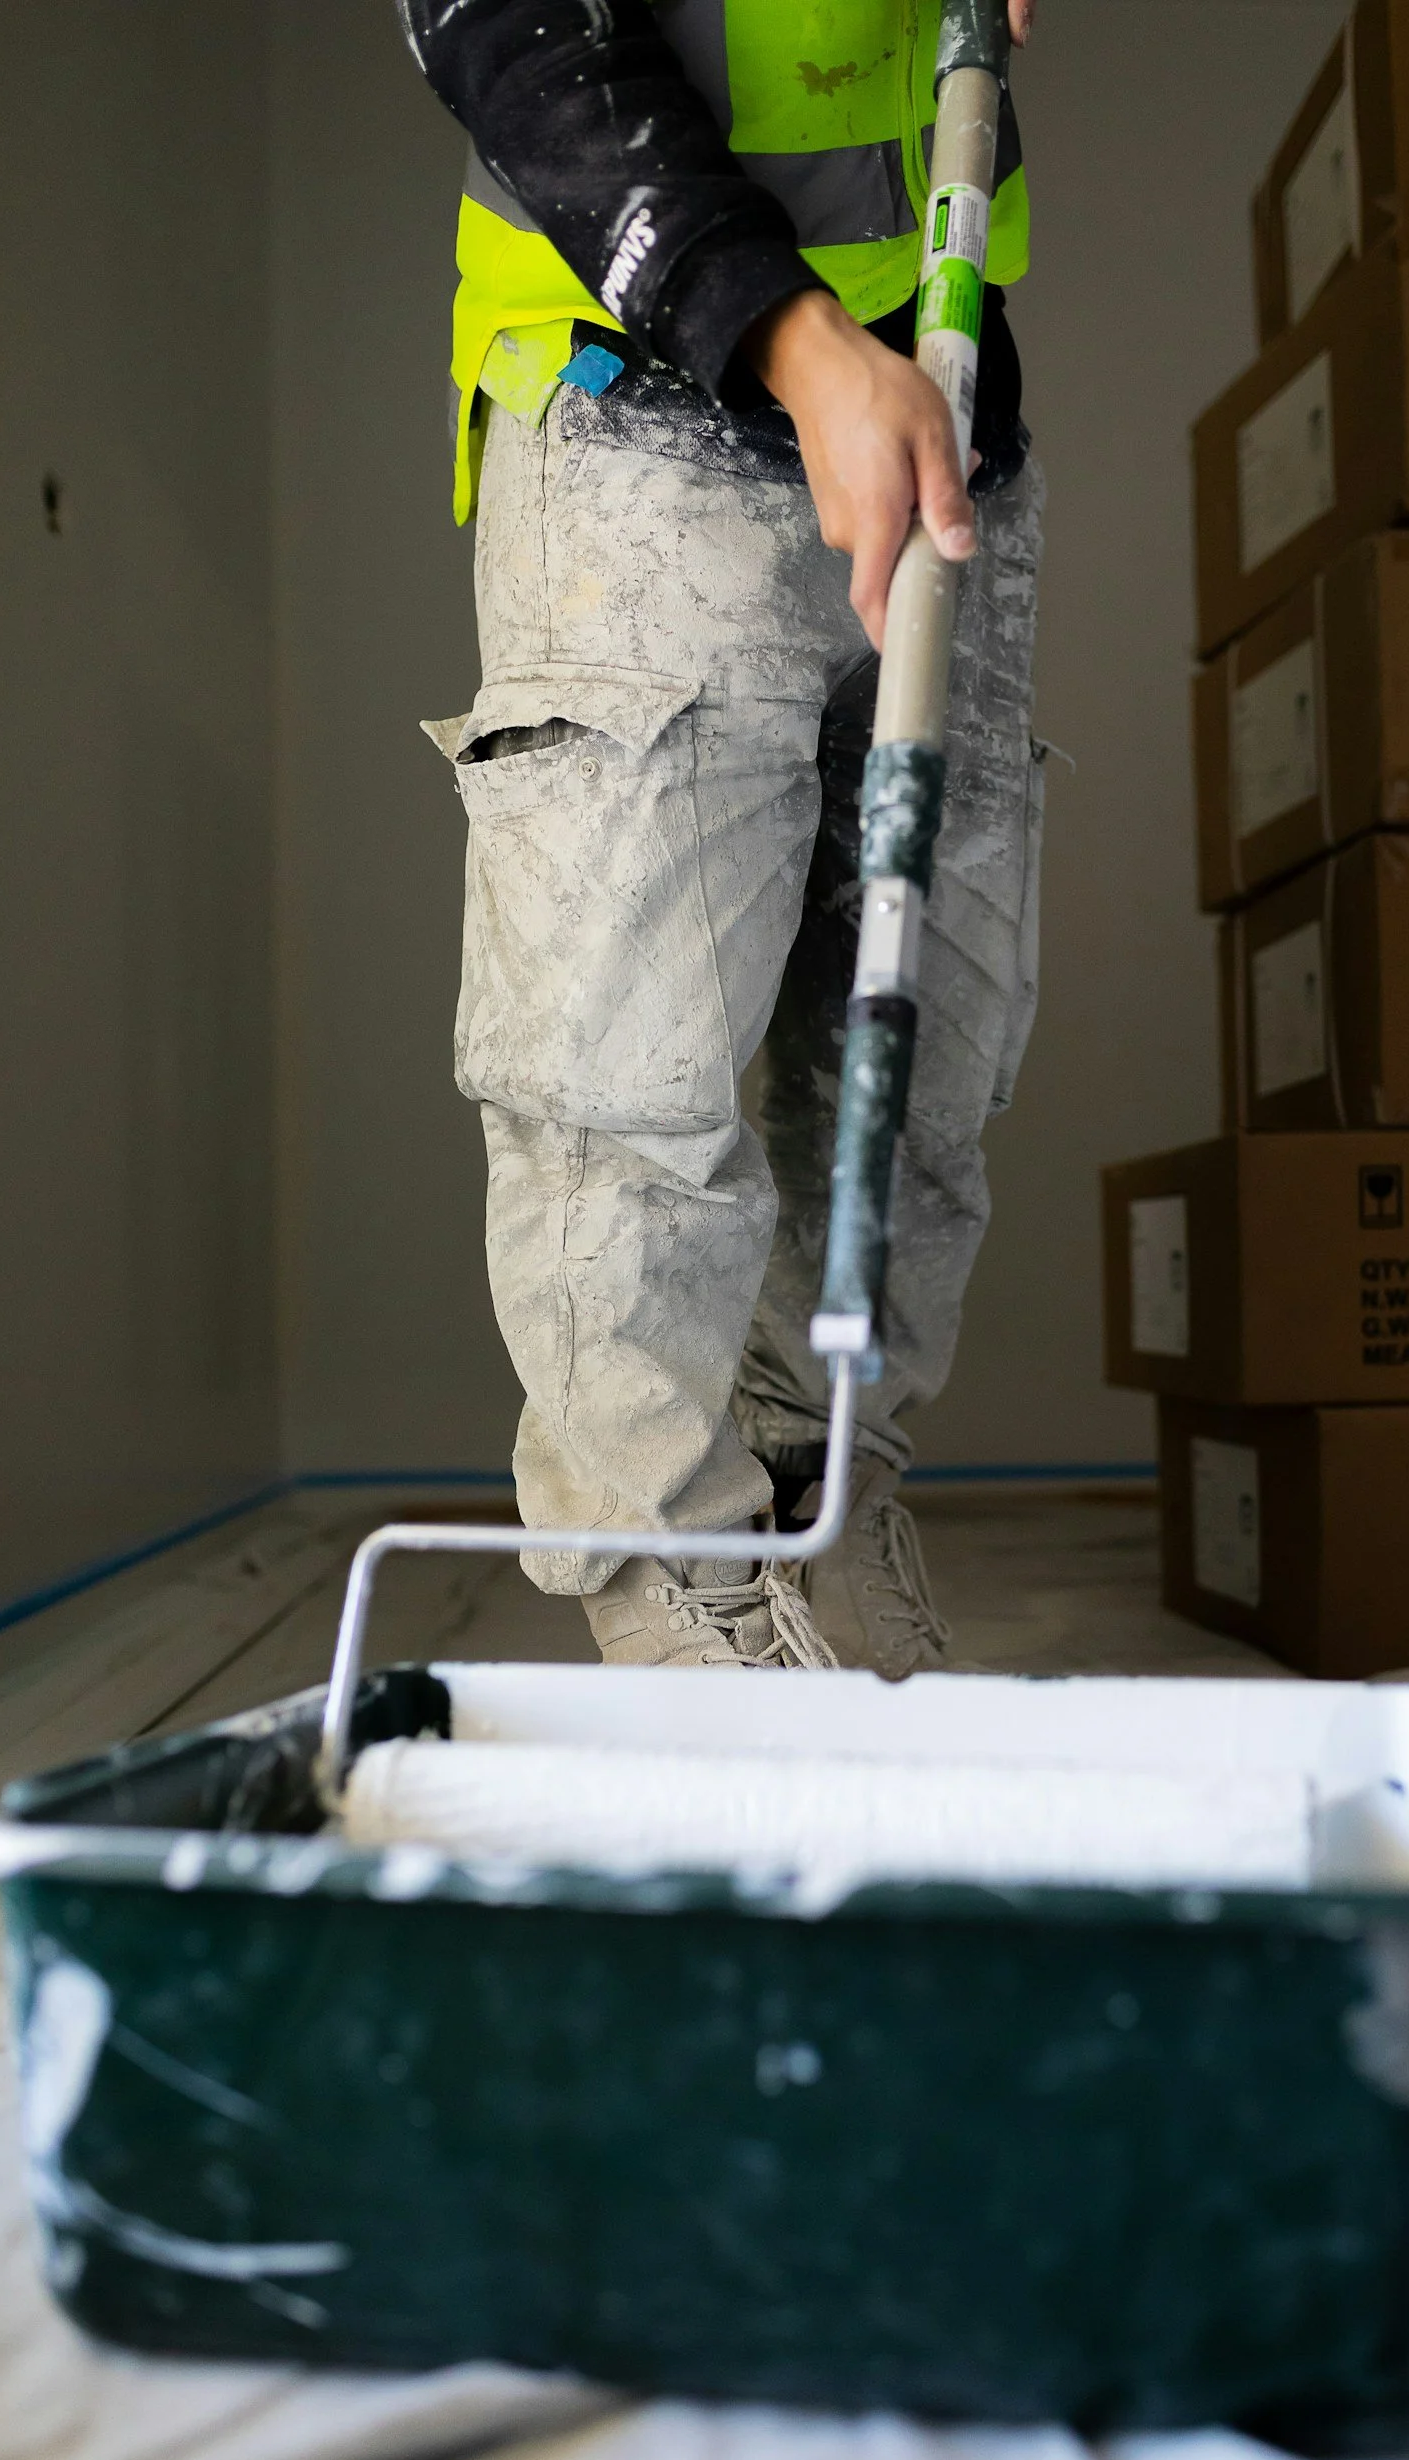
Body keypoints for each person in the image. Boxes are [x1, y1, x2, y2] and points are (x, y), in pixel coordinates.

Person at [399, 0, 1043, 1676]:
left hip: (944, 403)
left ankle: (814, 1507)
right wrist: (794, 337)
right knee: (632, 1078)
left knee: (916, 1071)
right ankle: (668, 1573)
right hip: (647, 383)